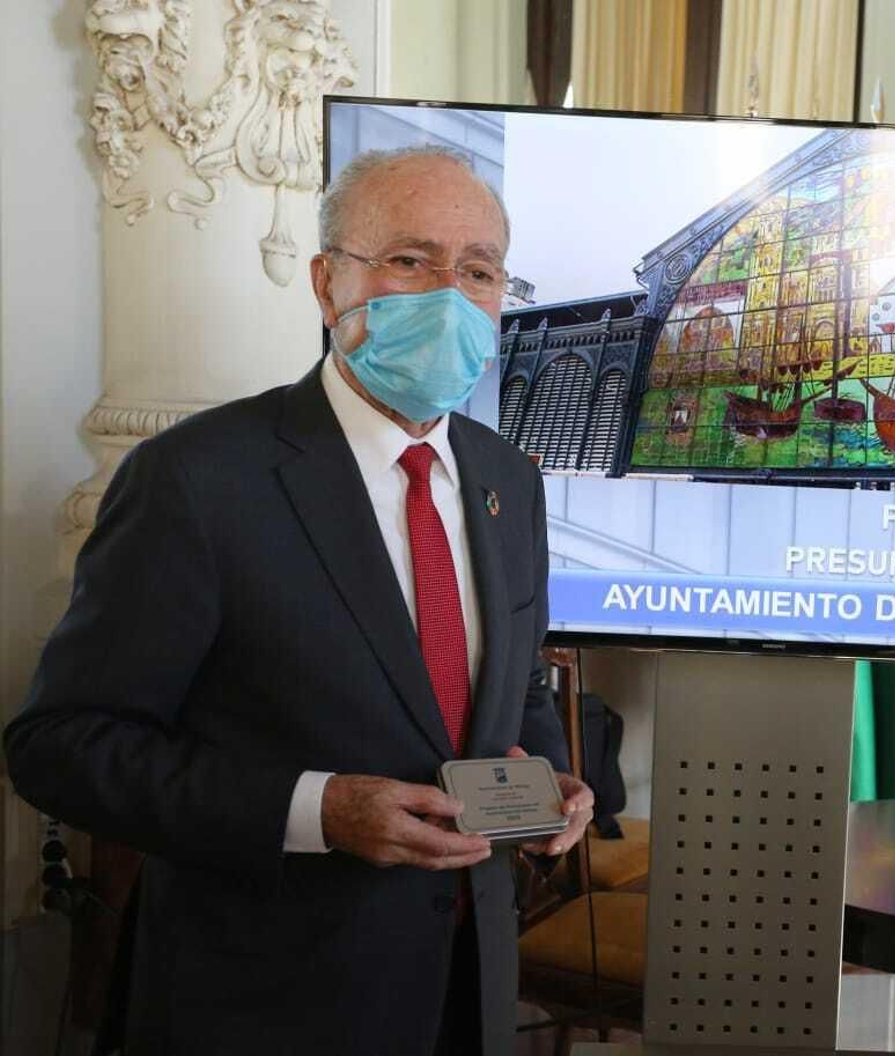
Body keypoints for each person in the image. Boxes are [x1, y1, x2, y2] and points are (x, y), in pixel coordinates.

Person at [4, 145, 594, 1056]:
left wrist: (548, 783)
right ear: (328, 285)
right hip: (258, 1001)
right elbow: (62, 748)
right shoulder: (197, 478)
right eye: (409, 259)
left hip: (466, 992)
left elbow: (512, 695)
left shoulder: (507, 479)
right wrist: (319, 811)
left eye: (476, 271)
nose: (448, 293)